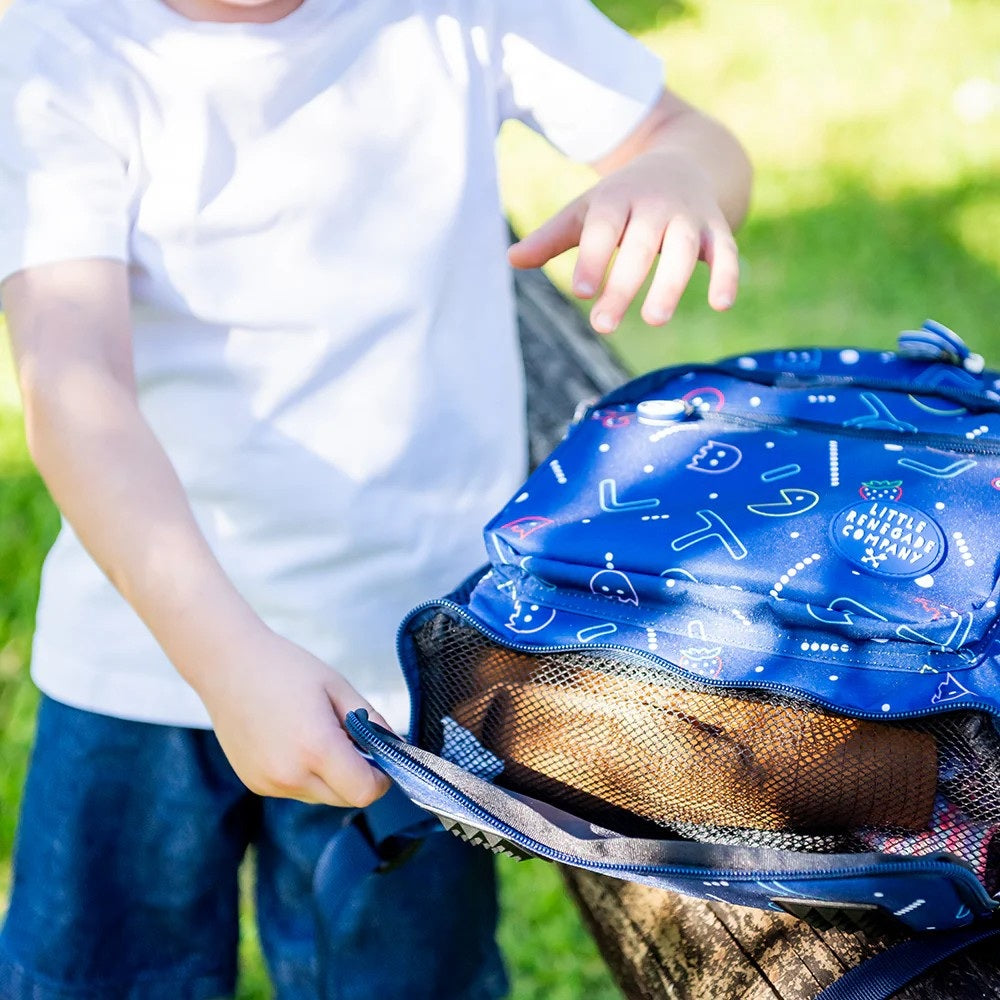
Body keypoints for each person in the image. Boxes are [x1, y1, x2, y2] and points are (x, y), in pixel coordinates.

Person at [0, 0, 752, 997]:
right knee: (95, 974)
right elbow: (71, 384)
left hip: (407, 666)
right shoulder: (60, 42)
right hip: (141, 652)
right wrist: (228, 664)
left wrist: (678, 173)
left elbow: (689, 134)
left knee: (404, 980)